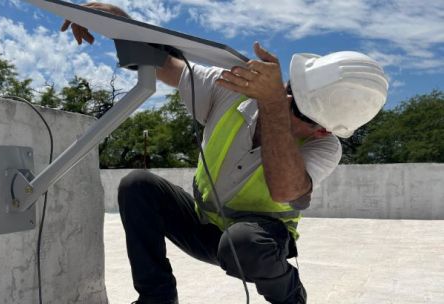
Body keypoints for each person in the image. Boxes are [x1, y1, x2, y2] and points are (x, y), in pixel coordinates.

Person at [61, 3, 389, 304]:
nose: (286, 101)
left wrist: (272, 102)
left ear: (322, 130)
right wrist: (120, 23)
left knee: (247, 243)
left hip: (258, 243)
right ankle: (157, 299)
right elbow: (167, 66)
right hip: (204, 225)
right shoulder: (230, 89)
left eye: (299, 109)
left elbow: (287, 191)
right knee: (137, 187)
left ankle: (291, 295)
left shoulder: (324, 147)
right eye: (289, 90)